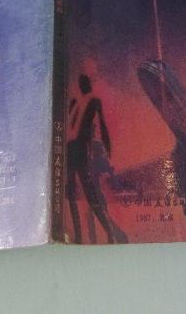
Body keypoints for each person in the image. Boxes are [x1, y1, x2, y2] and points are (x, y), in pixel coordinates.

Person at [66, 74, 127, 244]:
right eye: (81, 82)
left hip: (80, 148)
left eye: (85, 82)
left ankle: (109, 233)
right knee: (71, 192)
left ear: (89, 84)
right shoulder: (75, 102)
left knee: (89, 193)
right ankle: (79, 237)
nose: (82, 85)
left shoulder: (94, 101)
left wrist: (107, 146)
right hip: (70, 148)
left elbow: (102, 124)